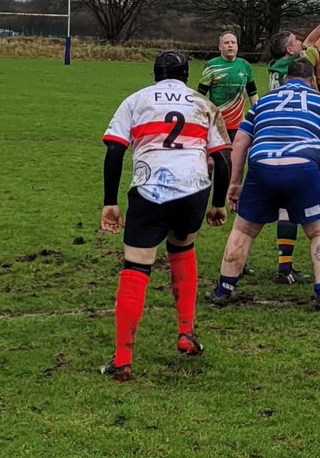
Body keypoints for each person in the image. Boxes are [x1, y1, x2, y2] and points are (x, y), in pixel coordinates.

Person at [98, 51, 231, 382]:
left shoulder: (136, 100)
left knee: (136, 267)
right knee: (182, 247)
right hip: (193, 191)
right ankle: (186, 332)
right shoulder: (203, 104)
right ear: (187, 75)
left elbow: (115, 150)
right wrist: (217, 203)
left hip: (149, 190)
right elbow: (223, 158)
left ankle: (123, 360)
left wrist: (110, 201)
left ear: (155, 73)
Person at [208, 58, 320, 308]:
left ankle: (223, 289)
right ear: (313, 80)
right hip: (303, 167)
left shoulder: (264, 101)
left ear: (286, 79)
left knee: (243, 230)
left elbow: (240, 142)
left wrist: (235, 183)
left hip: (262, 166)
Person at [265, 30, 306, 282]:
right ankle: (284, 268)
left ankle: (238, 264)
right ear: (290, 50)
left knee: (260, 214)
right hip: (290, 139)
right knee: (293, 209)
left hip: (268, 141)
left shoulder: (275, 65)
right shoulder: (292, 66)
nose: (302, 42)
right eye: (296, 40)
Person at [196, 32, 258, 140]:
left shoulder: (245, 66)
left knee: (236, 156)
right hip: (217, 124)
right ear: (220, 47)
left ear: (237, 46)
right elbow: (200, 96)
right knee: (217, 156)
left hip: (238, 125)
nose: (230, 45)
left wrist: (258, 116)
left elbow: (253, 94)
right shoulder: (211, 65)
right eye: (226, 43)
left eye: (233, 42)